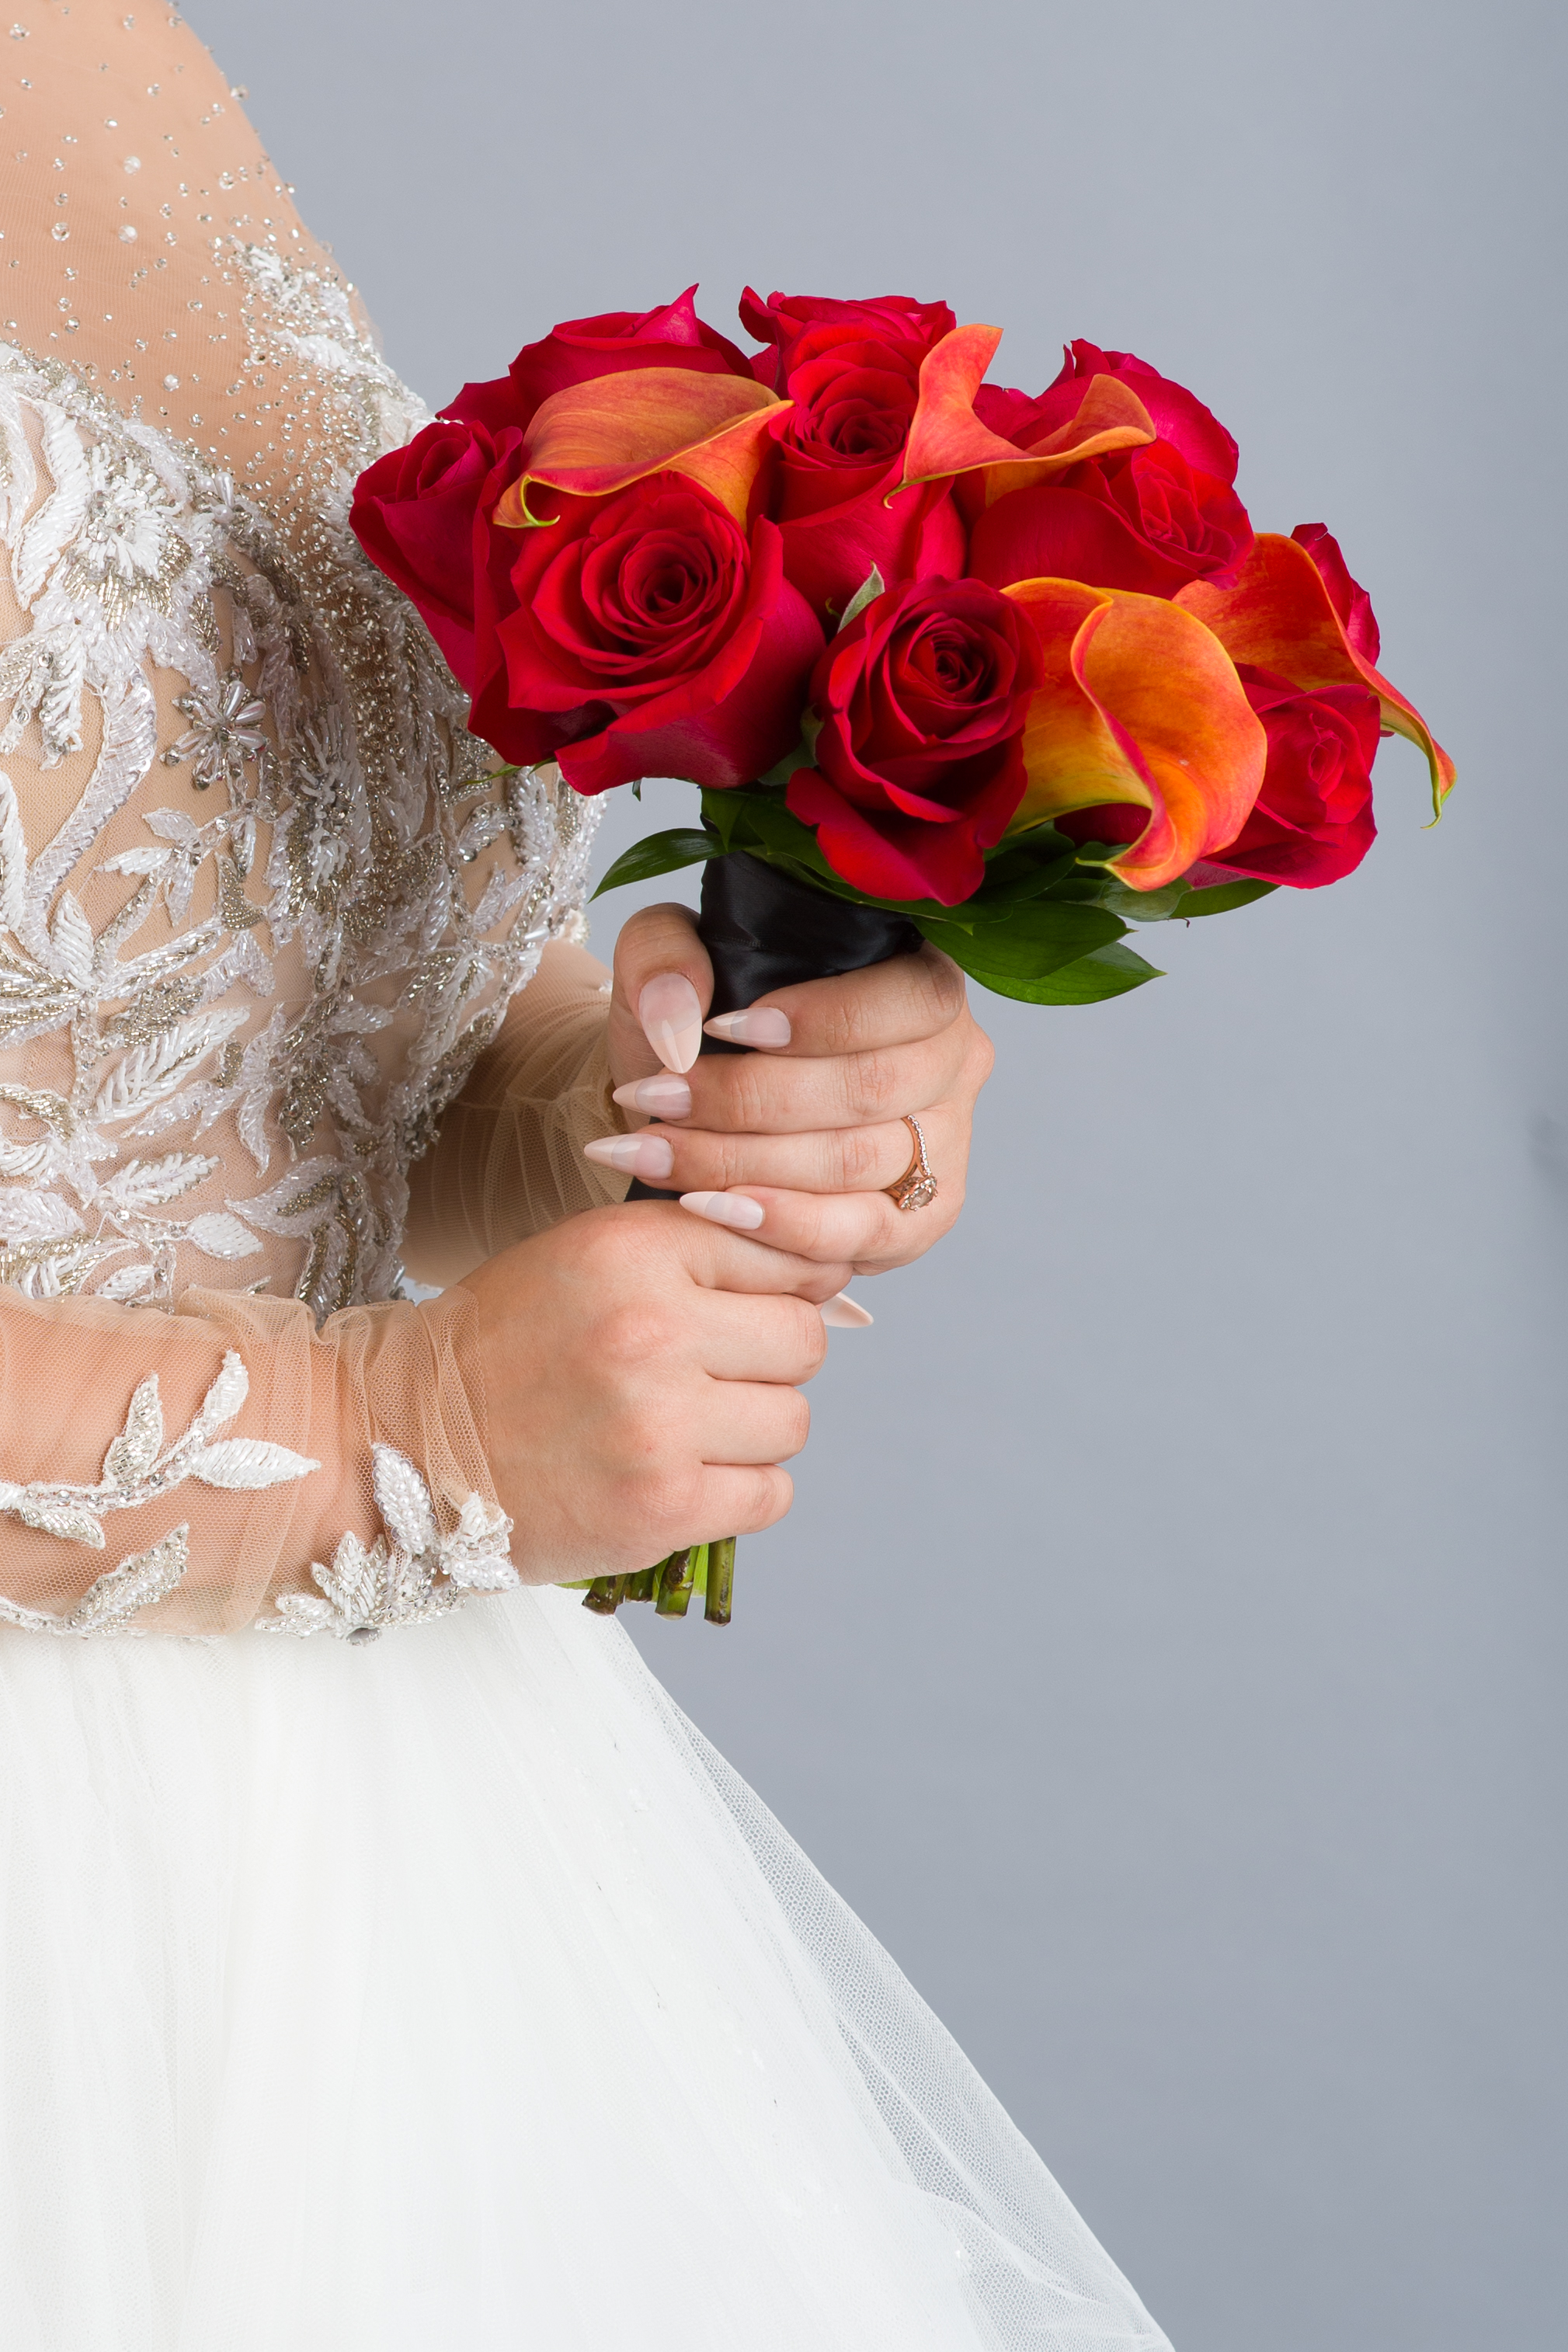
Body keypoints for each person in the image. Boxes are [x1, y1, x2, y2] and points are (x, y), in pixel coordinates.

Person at [0, 7, 1170, 2346]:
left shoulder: (102, 40)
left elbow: (200, 1049)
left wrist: (621, 1101)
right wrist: (392, 1431)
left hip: (395, 1853)